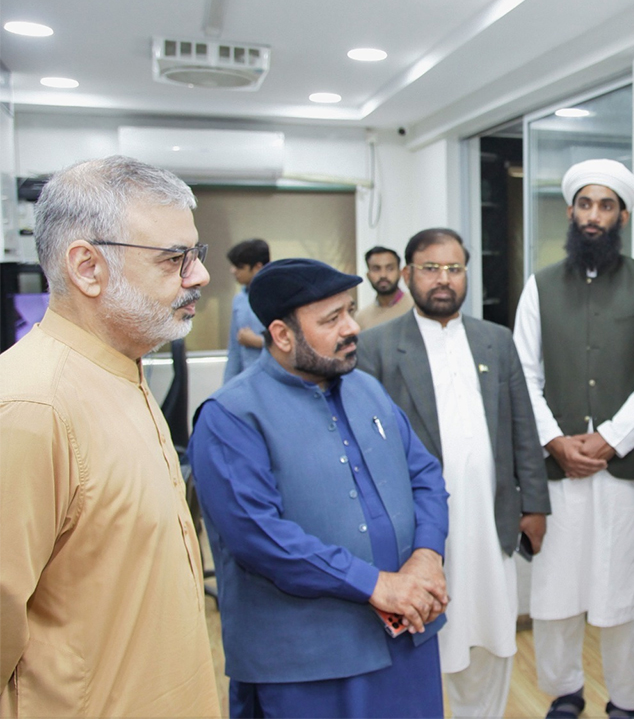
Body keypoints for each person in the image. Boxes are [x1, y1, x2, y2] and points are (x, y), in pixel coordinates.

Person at [0, 155, 220, 716]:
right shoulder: (29, 406)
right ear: (87, 267)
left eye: (196, 255)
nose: (198, 276)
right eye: (175, 259)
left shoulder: (123, 370)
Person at [188, 258, 450, 719]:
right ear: (283, 334)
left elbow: (425, 475)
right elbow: (258, 536)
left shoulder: (367, 388)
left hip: (405, 641)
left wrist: (427, 554)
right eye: (332, 319)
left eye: (350, 311)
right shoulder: (230, 416)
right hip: (305, 666)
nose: (352, 328)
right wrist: (373, 584)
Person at [358, 228, 551, 718]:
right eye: (430, 269)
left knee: (490, 634)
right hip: (420, 532)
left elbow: (522, 427)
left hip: (491, 520)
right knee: (426, 640)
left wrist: (534, 505)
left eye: (454, 269)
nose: (443, 280)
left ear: (467, 274)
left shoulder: (496, 341)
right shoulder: (377, 347)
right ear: (407, 275)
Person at [513, 159, 634, 719]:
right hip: (558, 467)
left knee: (621, 595)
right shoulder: (538, 287)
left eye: (606, 206)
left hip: (621, 469)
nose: (594, 216)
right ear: (570, 211)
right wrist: (555, 440)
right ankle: (563, 692)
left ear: (622, 216)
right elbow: (523, 375)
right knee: (556, 593)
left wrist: (608, 439)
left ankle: (627, 702)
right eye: (585, 204)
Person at [223, 238, 270, 382]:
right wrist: (227, 386)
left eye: (239, 267)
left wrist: (258, 341)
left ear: (257, 267)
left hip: (271, 380)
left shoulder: (278, 297)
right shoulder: (239, 300)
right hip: (247, 381)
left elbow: (294, 345)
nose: (233, 271)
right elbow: (234, 350)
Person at [355, 245, 414, 330]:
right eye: (376, 269)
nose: (383, 275)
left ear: (400, 272)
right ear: (368, 275)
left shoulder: (417, 306)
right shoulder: (361, 318)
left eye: (390, 268)